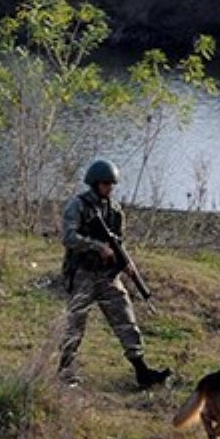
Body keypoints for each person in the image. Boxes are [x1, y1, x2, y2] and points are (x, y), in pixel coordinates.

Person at [57, 159, 171, 389]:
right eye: (106, 183)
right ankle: (66, 371)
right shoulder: (77, 206)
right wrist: (96, 247)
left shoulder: (115, 211)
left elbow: (118, 241)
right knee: (75, 325)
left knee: (126, 320)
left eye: (112, 184)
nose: (110, 188)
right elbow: (68, 237)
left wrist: (125, 263)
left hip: (108, 276)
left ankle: (142, 371)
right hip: (82, 275)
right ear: (95, 183)